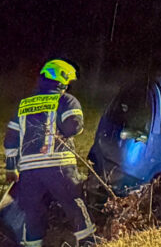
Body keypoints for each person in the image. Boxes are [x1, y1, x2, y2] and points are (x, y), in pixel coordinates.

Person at [3, 60, 95, 247]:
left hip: (29, 171)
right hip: (59, 166)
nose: (68, 86)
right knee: (74, 204)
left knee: (32, 212)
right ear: (61, 79)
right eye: (68, 81)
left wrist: (12, 167)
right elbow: (74, 126)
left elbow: (11, 139)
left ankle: (32, 244)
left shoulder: (24, 105)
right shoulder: (65, 100)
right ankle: (88, 242)